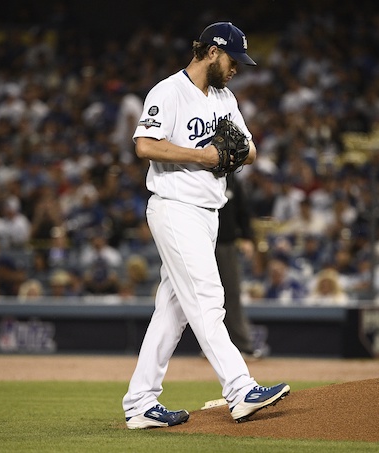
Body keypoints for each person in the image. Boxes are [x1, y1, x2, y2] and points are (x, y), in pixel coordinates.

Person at [122, 22, 289, 430]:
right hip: (176, 207)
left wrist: (232, 154)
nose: (237, 69)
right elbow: (144, 145)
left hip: (208, 212)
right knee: (209, 298)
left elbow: (249, 149)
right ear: (212, 52)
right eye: (233, 60)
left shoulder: (224, 97)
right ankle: (239, 388)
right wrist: (205, 156)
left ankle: (141, 402)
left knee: (173, 311)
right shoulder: (169, 91)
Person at [216, 174, 268, 359]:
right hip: (200, 243)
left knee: (231, 293)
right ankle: (213, 346)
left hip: (225, 244)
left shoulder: (230, 179)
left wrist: (246, 237)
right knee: (203, 297)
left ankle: (243, 345)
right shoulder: (197, 172)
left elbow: (243, 211)